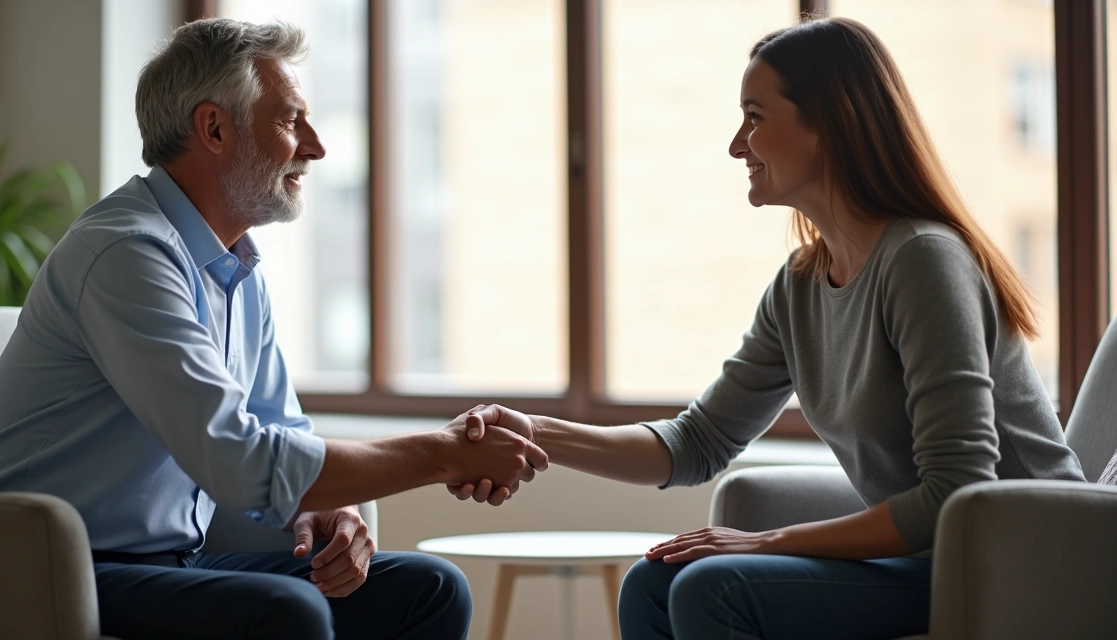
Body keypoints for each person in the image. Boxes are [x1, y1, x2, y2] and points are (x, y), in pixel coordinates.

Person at [454, 16, 1085, 640]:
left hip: (1027, 567)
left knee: (713, 584)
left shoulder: (923, 258)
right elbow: (697, 442)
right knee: (655, 582)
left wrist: (762, 542)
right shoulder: (802, 285)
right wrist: (537, 435)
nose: (736, 144)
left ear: (829, 125)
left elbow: (957, 490)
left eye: (755, 118)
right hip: (931, 564)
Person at [0, 18, 548, 640]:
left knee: (428, 589)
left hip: (166, 564)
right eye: (291, 122)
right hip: (31, 570)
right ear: (213, 127)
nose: (316, 147)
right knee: (290, 614)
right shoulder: (126, 254)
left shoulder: (238, 269)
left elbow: (280, 429)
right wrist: (445, 454)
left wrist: (328, 507)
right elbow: (238, 460)